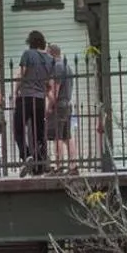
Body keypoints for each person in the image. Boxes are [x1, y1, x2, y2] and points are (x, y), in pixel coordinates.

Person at [14, 30, 56, 175]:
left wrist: (16, 90)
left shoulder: (28, 54)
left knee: (18, 129)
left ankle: (27, 155)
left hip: (25, 97)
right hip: (39, 99)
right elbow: (49, 84)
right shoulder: (51, 59)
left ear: (31, 42)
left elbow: (21, 74)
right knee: (39, 133)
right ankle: (40, 163)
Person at [47, 44, 78, 173]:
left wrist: (49, 105)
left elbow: (55, 91)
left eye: (48, 54)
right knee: (67, 136)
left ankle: (59, 166)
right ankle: (73, 166)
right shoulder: (67, 67)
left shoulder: (57, 67)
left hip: (59, 106)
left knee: (57, 137)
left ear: (52, 54)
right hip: (67, 105)